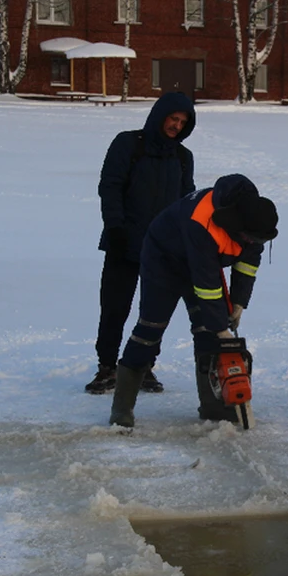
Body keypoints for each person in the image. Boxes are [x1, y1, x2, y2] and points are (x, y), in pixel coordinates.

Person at [107, 173, 278, 429]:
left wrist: (239, 301)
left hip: (202, 264)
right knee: (150, 329)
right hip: (163, 260)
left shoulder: (252, 218)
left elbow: (247, 263)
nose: (256, 243)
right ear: (238, 226)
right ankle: (121, 408)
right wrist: (221, 327)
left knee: (208, 332)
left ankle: (214, 407)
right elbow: (207, 285)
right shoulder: (202, 221)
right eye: (254, 239)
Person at [86, 92, 196, 396]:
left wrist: (185, 239)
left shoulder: (183, 158)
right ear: (160, 115)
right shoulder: (128, 144)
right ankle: (107, 366)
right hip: (124, 241)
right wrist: (115, 227)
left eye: (182, 122)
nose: (176, 126)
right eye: (173, 119)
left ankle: (143, 365)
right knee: (114, 308)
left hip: (163, 250)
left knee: (154, 312)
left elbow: (187, 201)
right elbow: (110, 186)